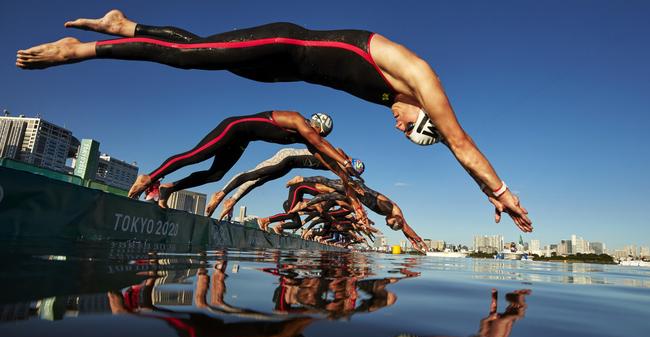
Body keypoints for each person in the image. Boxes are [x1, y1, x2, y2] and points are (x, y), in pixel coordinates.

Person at [16, 9, 532, 233]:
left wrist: (482, 191)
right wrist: (501, 189)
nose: (397, 125)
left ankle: (125, 25)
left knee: (197, 49)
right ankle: (80, 50)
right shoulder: (419, 77)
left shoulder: (408, 103)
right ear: (426, 113)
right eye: (409, 127)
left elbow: (450, 144)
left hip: (281, 73)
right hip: (284, 43)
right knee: (189, 59)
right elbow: (458, 139)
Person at [120, 110, 365, 226]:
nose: (316, 135)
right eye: (318, 132)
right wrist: (345, 160)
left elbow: (334, 168)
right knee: (196, 156)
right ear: (316, 125)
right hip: (234, 128)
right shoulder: (298, 120)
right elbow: (322, 145)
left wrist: (354, 199)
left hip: (243, 141)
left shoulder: (309, 141)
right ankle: (149, 177)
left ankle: (168, 189)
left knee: (215, 175)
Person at [205, 147, 365, 218]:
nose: (349, 172)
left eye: (352, 173)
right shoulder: (339, 155)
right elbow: (341, 153)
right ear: (350, 161)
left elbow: (346, 184)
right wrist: (348, 166)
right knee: (255, 174)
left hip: (289, 165)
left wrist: (357, 205)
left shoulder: (341, 169)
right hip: (287, 156)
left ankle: (232, 200)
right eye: (351, 168)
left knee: (258, 182)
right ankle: (222, 193)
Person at [289, 176, 429, 253]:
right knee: (328, 183)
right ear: (395, 219)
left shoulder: (397, 216)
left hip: (356, 196)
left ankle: (304, 204)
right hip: (356, 188)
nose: (386, 223)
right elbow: (369, 195)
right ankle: (301, 180)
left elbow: (405, 227)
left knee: (330, 195)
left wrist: (415, 241)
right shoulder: (388, 207)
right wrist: (359, 208)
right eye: (389, 223)